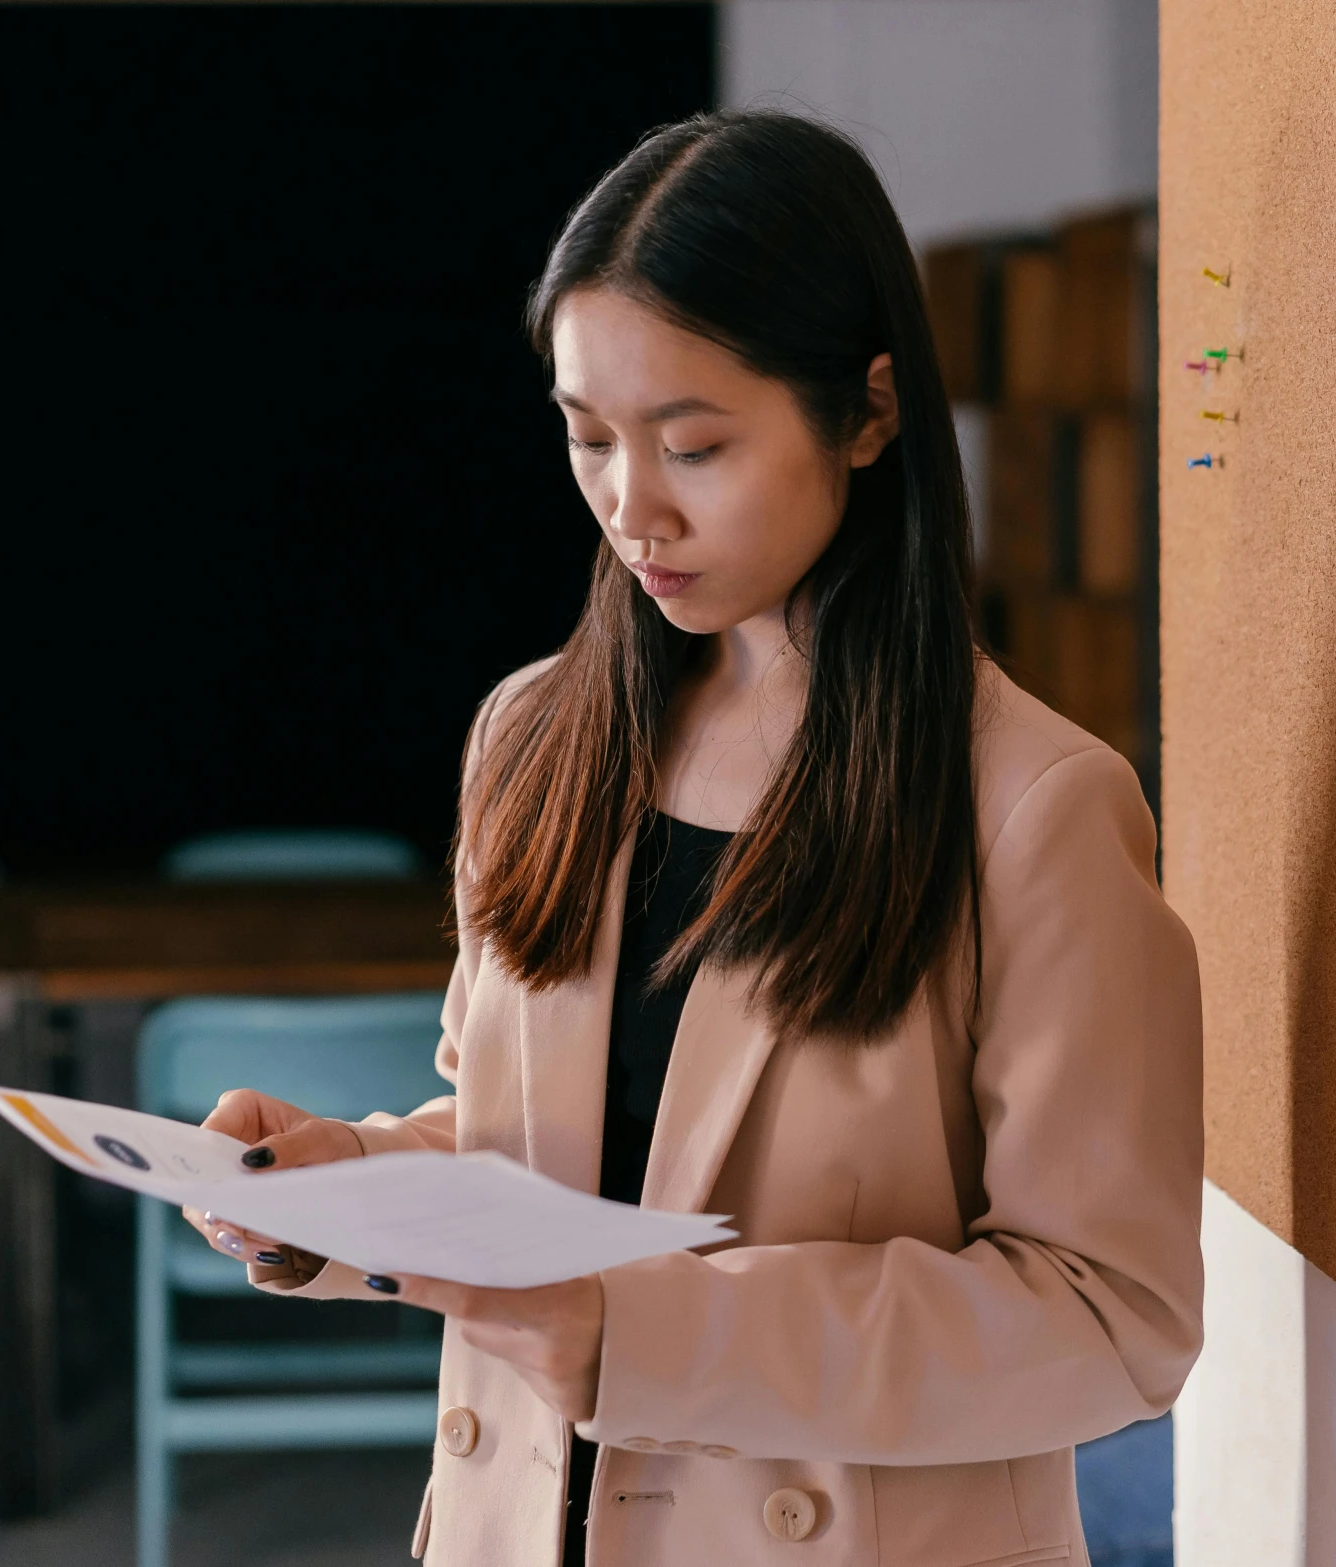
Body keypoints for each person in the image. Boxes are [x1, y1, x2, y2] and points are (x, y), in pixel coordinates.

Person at [185, 108, 1202, 1566]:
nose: (629, 507)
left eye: (694, 445)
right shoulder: (536, 734)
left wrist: (650, 1334)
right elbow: (525, 1158)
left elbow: (1115, 1316)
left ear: (867, 412)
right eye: (587, 436)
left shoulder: (1032, 804)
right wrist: (339, 1180)